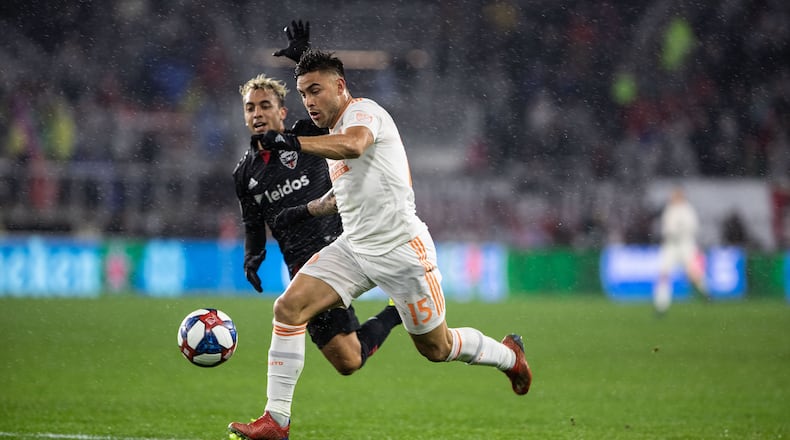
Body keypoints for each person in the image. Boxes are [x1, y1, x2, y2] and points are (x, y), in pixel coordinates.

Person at [228, 49, 532, 440]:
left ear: (340, 87)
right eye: (303, 93)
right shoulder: (327, 131)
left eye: (316, 91)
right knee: (288, 308)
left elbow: (354, 145)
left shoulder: (363, 112)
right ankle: (276, 421)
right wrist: (295, 214)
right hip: (354, 248)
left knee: (436, 348)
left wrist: (290, 141)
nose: (309, 101)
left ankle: (509, 356)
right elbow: (334, 183)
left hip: (402, 252)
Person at [234, 67, 402, 375]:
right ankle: (396, 312)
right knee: (348, 361)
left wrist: (304, 59)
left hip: (342, 248)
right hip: (301, 264)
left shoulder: (306, 135)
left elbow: (330, 100)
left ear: (282, 112)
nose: (257, 113)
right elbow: (253, 222)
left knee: (291, 317)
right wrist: (252, 256)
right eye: (250, 108)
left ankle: (278, 403)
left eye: (265, 105)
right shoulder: (244, 173)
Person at [653, 187, 709, 314]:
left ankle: (706, 293)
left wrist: (678, 231)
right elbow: (666, 228)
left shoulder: (687, 209)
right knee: (663, 274)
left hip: (685, 244)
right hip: (670, 245)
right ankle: (661, 305)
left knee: (694, 273)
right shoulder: (669, 209)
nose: (673, 198)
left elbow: (693, 227)